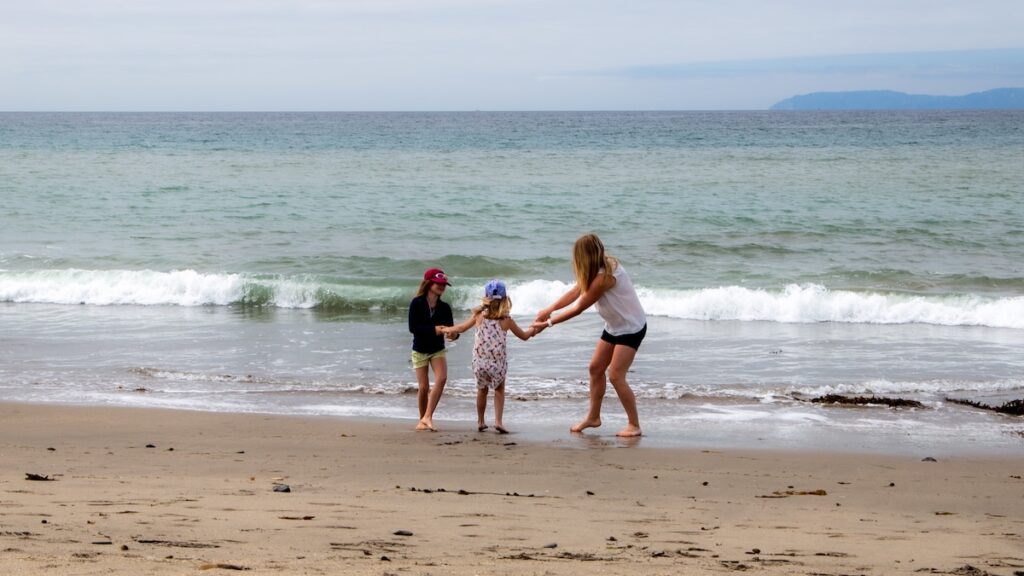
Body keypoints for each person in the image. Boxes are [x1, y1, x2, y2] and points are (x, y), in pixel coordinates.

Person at [532, 233, 646, 437]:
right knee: (595, 368)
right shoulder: (596, 270)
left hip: (631, 327)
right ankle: (594, 417)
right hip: (614, 326)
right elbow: (576, 291)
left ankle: (634, 424)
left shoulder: (604, 277)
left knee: (616, 375)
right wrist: (549, 309)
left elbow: (578, 308)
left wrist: (547, 323)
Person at [445, 280, 540, 434]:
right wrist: (534, 329)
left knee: (482, 390)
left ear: (486, 298)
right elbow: (524, 336)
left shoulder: (479, 316)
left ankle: (481, 421)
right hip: (497, 364)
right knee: (499, 389)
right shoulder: (506, 321)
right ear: (504, 299)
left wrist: (448, 329)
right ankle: (498, 422)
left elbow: (461, 328)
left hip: (479, 362)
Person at [408, 267, 456, 431]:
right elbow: (413, 328)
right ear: (429, 284)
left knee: (441, 379)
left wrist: (453, 335)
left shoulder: (445, 308)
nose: (442, 287)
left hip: (437, 348)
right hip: (420, 348)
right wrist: (434, 330)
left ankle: (428, 416)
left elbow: (452, 329)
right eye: (438, 283)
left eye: (444, 284)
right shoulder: (417, 303)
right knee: (423, 387)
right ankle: (423, 420)